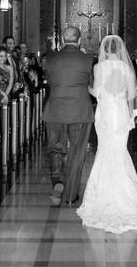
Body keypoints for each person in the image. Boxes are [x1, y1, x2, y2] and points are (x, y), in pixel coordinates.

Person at [76, 34, 137, 233]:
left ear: (105, 49)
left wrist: (84, 87)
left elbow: (97, 92)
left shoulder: (99, 68)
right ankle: (126, 198)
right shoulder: (127, 68)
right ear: (120, 49)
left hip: (105, 113)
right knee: (119, 152)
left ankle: (103, 197)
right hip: (120, 113)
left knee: (105, 151)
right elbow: (132, 95)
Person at [42, 26, 94, 207]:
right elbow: (90, 83)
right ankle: (71, 195)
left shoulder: (50, 58)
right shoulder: (88, 58)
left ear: (63, 40)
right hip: (80, 108)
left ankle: (57, 181)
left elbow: (48, 80)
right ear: (79, 41)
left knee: (55, 148)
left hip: (55, 108)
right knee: (77, 152)